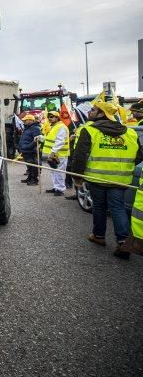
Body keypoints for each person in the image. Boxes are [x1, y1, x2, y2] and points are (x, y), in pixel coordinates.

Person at [70, 101, 142, 259]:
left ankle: (99, 236)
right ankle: (123, 242)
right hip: (121, 179)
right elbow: (138, 157)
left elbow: (80, 156)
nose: (90, 112)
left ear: (102, 113)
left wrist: (77, 177)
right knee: (118, 207)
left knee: (99, 207)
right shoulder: (130, 133)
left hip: (97, 178)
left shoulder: (89, 130)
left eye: (94, 110)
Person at [39, 111, 69, 196]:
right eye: (49, 117)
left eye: (52, 116)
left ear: (57, 118)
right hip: (54, 155)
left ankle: (60, 189)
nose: (50, 118)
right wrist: (40, 137)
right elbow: (50, 139)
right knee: (54, 171)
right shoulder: (54, 127)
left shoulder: (61, 127)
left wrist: (53, 152)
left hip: (59, 155)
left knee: (59, 172)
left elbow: (60, 142)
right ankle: (56, 187)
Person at [17, 114, 41, 185]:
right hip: (26, 150)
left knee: (33, 165)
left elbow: (37, 140)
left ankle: (34, 180)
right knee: (29, 166)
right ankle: (30, 178)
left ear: (31, 120)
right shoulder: (27, 128)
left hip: (31, 150)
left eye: (25, 120)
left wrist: (28, 147)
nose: (24, 121)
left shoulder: (35, 128)